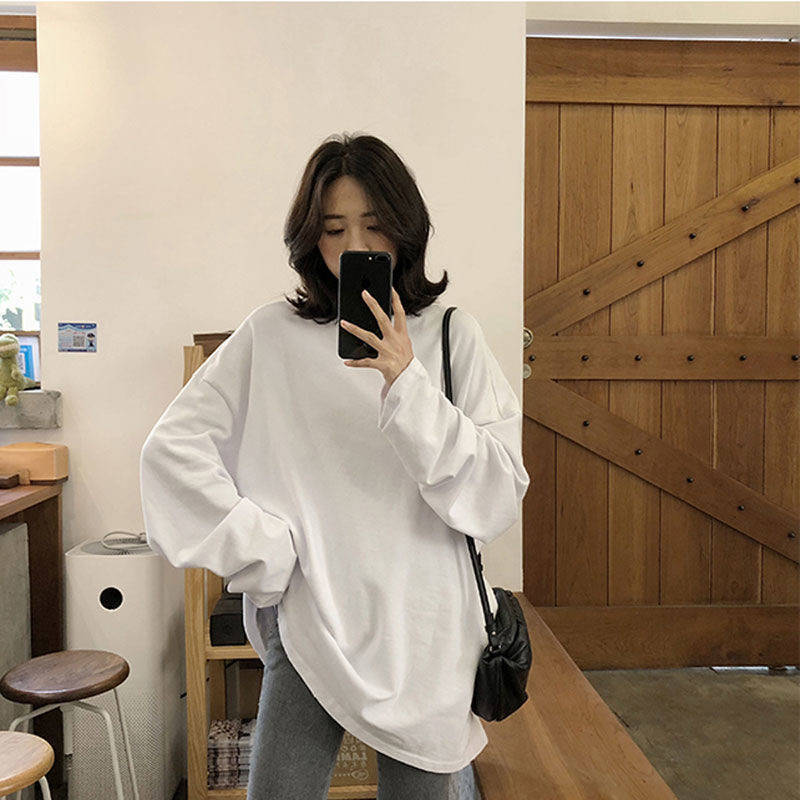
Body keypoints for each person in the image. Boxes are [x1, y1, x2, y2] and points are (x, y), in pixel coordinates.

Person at [139, 132, 530, 800]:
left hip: (425, 631)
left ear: (405, 228)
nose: (354, 246)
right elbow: (170, 452)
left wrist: (405, 382)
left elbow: (495, 494)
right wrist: (266, 552)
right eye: (333, 228)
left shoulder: (452, 335)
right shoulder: (270, 335)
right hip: (312, 618)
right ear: (309, 238)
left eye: (374, 226)